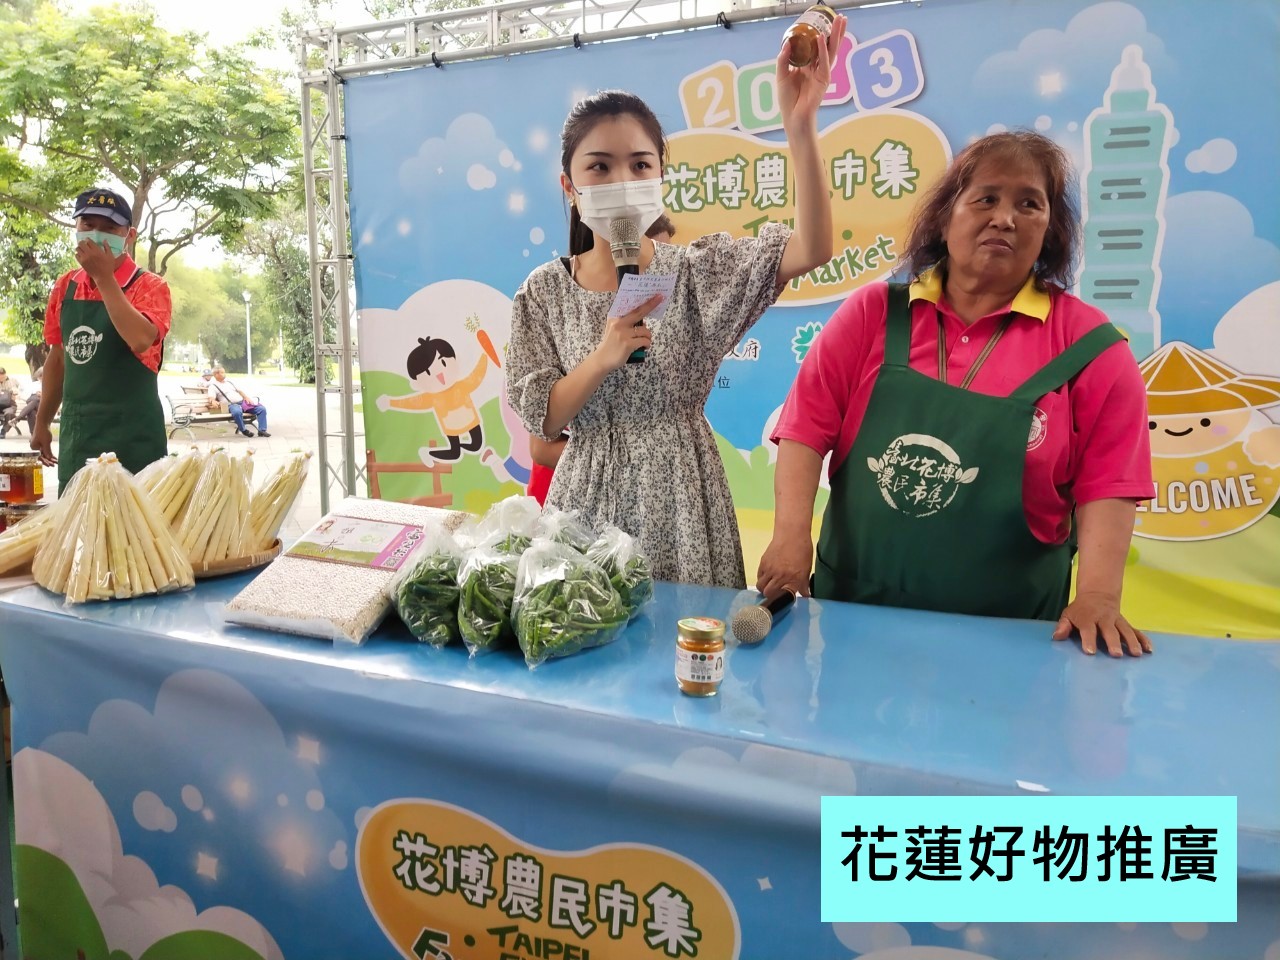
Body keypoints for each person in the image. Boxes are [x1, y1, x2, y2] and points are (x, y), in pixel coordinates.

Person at [758, 131, 1155, 658]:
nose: (1005, 218)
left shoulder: (1091, 348)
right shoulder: (873, 314)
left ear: (1051, 232)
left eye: (1029, 204)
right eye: (986, 198)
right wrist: (789, 539)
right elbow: (805, 430)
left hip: (1011, 638)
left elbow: (1109, 483)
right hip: (855, 619)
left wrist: (1100, 596)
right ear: (945, 218)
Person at [507, 32, 844, 588]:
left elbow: (812, 248)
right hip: (583, 497)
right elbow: (543, 420)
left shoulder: (692, 271)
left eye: (640, 165)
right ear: (569, 186)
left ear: (661, 175)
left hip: (683, 496)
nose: (622, 181)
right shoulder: (542, 292)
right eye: (600, 168)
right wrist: (603, 357)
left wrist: (800, 126)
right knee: (582, 641)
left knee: (686, 649)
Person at [525, 214, 677, 507]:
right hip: (568, 496)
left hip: (644, 500)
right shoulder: (560, 305)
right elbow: (540, 447)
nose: (650, 276)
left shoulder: (660, 326)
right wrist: (617, 462)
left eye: (659, 264)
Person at [33, 188, 171, 488]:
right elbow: (58, 359)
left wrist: (104, 278)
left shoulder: (150, 287)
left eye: (109, 229)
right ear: (76, 228)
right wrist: (42, 421)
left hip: (134, 441)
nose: (96, 235)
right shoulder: (64, 287)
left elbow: (140, 339)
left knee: (134, 532)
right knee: (79, 529)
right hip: (79, 438)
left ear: (129, 236)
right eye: (88, 225)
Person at [206, 367, 271, 437]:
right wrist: (213, 401)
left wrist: (246, 397)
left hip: (242, 403)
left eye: (224, 372)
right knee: (237, 412)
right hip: (231, 405)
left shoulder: (229, 382)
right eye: (222, 372)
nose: (224, 374)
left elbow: (239, 391)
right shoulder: (213, 386)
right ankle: (244, 430)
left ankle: (262, 430)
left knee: (261, 409)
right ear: (216, 374)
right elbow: (211, 397)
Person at [1, 368, 40, 439]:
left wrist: (16, 393)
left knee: (9, 413)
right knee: (31, 411)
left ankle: (4, 431)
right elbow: (27, 395)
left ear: (5, 375)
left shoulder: (13, 381)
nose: (1, 379)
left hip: (9, 404)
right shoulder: (35, 385)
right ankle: (33, 434)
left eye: (2, 376)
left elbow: (22, 390)